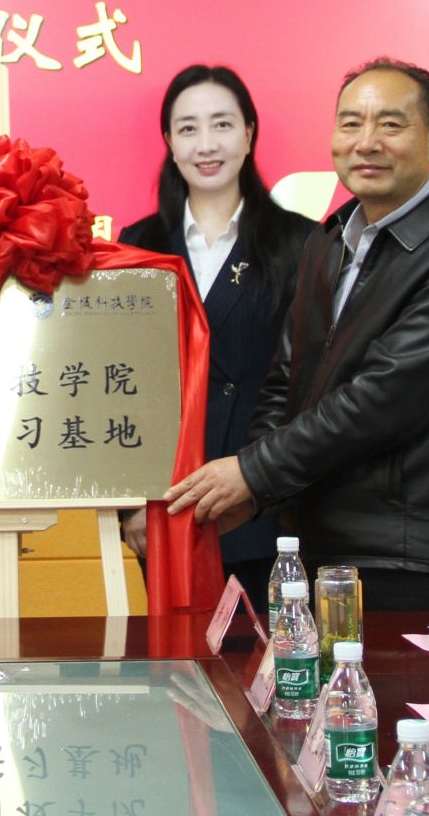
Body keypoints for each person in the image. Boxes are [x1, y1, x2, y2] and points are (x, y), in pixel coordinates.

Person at [165, 58, 429, 612]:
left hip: (406, 562)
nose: (366, 142)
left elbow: (381, 400)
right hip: (311, 548)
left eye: (391, 124)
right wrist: (257, 491)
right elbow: (285, 381)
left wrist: (253, 473)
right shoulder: (330, 240)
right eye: (351, 123)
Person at [117, 64, 315, 593]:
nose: (206, 144)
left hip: (264, 503)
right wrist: (130, 505)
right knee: (176, 644)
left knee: (267, 645)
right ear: (169, 141)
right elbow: (122, 382)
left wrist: (264, 483)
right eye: (188, 128)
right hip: (166, 504)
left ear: (249, 133)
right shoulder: (137, 244)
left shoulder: (301, 243)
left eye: (222, 124)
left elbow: (309, 385)